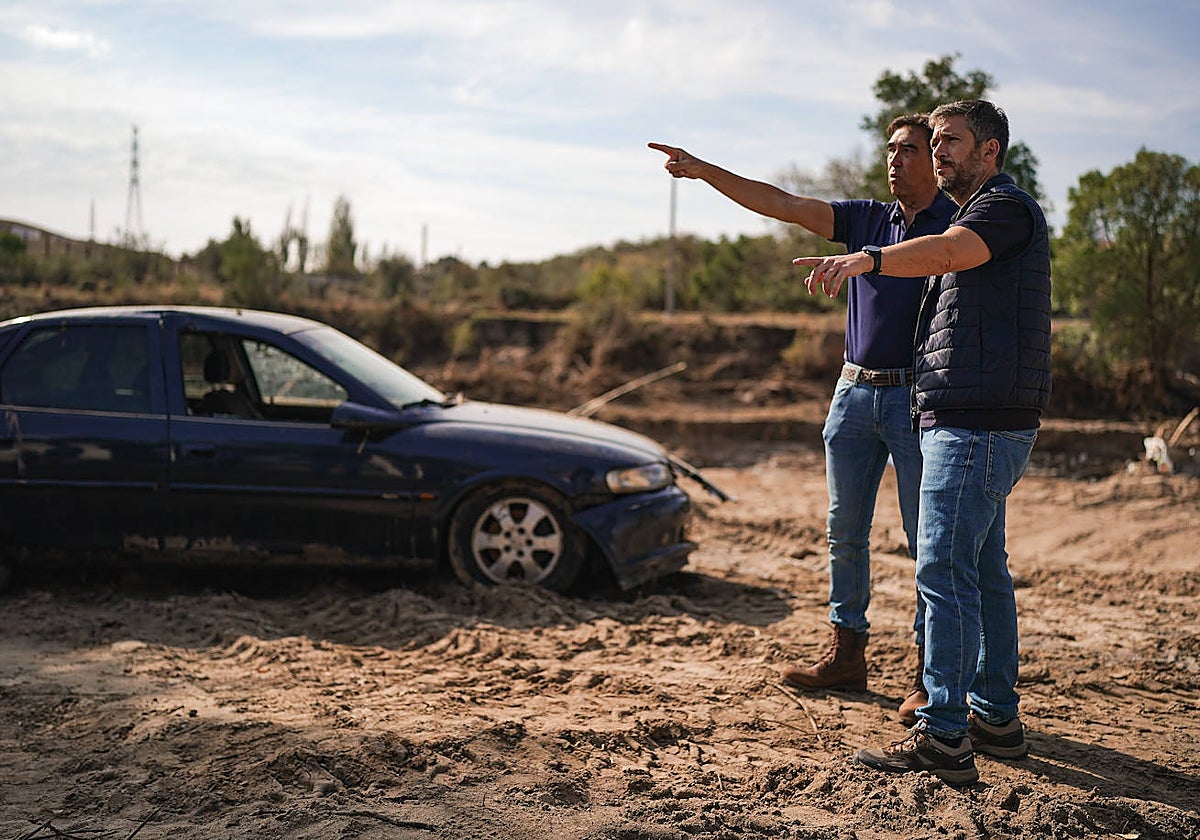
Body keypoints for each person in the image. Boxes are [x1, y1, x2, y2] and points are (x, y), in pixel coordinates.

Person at [650, 115, 956, 723]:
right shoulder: (869, 217)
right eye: (890, 150)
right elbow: (783, 204)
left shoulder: (954, 223)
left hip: (917, 399)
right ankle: (846, 654)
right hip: (852, 395)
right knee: (844, 530)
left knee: (926, 542)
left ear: (935, 159)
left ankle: (928, 675)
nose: (895, 160)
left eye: (910, 150)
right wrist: (703, 170)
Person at [793, 99, 1051, 785]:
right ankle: (995, 716)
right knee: (983, 570)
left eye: (952, 142)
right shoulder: (980, 210)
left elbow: (943, 253)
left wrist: (865, 260)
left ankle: (943, 735)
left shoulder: (1001, 210)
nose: (939, 152)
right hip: (973, 419)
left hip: (975, 424)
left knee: (942, 571)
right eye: (932, 140)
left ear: (989, 151)